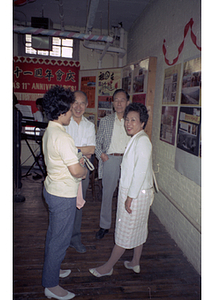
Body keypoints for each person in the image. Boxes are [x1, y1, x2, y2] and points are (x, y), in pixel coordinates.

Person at [89, 102, 154, 277]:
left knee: (125, 231)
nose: (128, 123)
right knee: (139, 228)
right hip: (139, 192)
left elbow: (139, 172)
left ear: (142, 123)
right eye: (127, 119)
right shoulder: (138, 138)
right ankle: (135, 262)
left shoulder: (142, 141)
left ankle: (108, 267)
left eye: (133, 120)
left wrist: (130, 197)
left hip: (135, 193)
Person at [41, 85, 88, 300]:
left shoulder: (50, 129)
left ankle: (53, 267)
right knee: (60, 239)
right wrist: (84, 169)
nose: (72, 112)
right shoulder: (63, 137)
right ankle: (51, 284)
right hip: (62, 194)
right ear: (62, 111)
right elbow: (77, 171)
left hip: (52, 189)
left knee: (54, 234)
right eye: (70, 108)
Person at [94, 89, 131, 240]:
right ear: (113, 103)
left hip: (128, 161)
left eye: (122, 100)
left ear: (128, 102)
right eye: (116, 100)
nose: (119, 103)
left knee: (127, 194)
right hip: (110, 159)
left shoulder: (132, 120)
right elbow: (96, 142)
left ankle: (125, 226)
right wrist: (101, 155)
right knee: (107, 194)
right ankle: (104, 225)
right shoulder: (106, 121)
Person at [65, 91, 96, 253]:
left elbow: (91, 150)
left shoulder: (89, 126)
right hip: (65, 169)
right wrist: (80, 150)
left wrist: (72, 148)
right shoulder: (64, 122)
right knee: (64, 203)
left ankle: (75, 238)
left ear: (86, 105)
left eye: (82, 103)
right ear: (70, 104)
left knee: (78, 204)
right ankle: (63, 238)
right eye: (75, 103)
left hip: (83, 168)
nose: (78, 107)